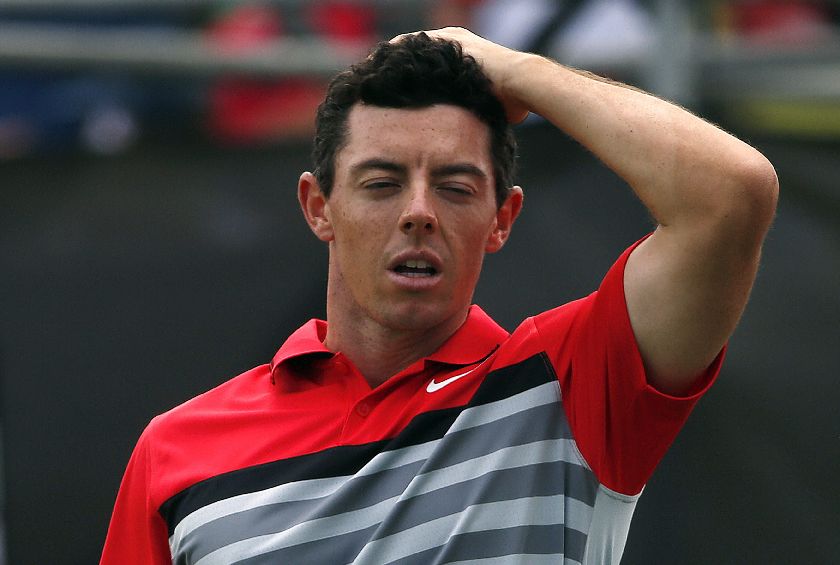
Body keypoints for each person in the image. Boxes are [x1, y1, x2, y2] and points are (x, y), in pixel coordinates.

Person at [101, 27, 778, 564]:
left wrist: (514, 69)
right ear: (318, 206)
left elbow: (732, 192)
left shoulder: (570, 386)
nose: (419, 211)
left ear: (502, 218)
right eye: (381, 182)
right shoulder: (175, 451)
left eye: (455, 186)